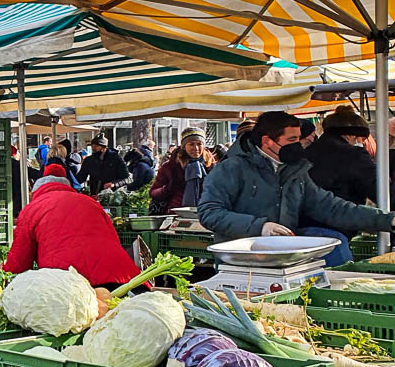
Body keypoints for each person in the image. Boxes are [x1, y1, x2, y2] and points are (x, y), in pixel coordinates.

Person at [198, 111, 395, 267]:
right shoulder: (231, 168)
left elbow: (331, 207)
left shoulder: (295, 172)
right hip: (241, 263)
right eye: (291, 140)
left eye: (299, 139)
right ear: (267, 141)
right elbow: (210, 213)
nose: (298, 145)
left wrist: (387, 220)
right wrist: (260, 227)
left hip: (284, 260)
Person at [3, 164, 143, 288]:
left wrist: (5, 277)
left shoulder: (32, 209)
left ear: (37, 190)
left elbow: (19, 261)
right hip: (119, 276)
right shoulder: (90, 202)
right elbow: (113, 239)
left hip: (67, 282)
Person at [303, 107, 376, 243]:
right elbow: (376, 189)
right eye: (361, 139)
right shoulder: (355, 155)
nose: (362, 143)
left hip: (300, 228)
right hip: (336, 228)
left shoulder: (306, 153)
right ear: (350, 136)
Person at [150, 128, 215, 214]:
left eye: (199, 144)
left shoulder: (211, 166)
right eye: (191, 144)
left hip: (206, 213)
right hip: (176, 214)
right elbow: (153, 192)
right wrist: (168, 189)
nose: (196, 148)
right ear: (184, 146)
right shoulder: (170, 167)